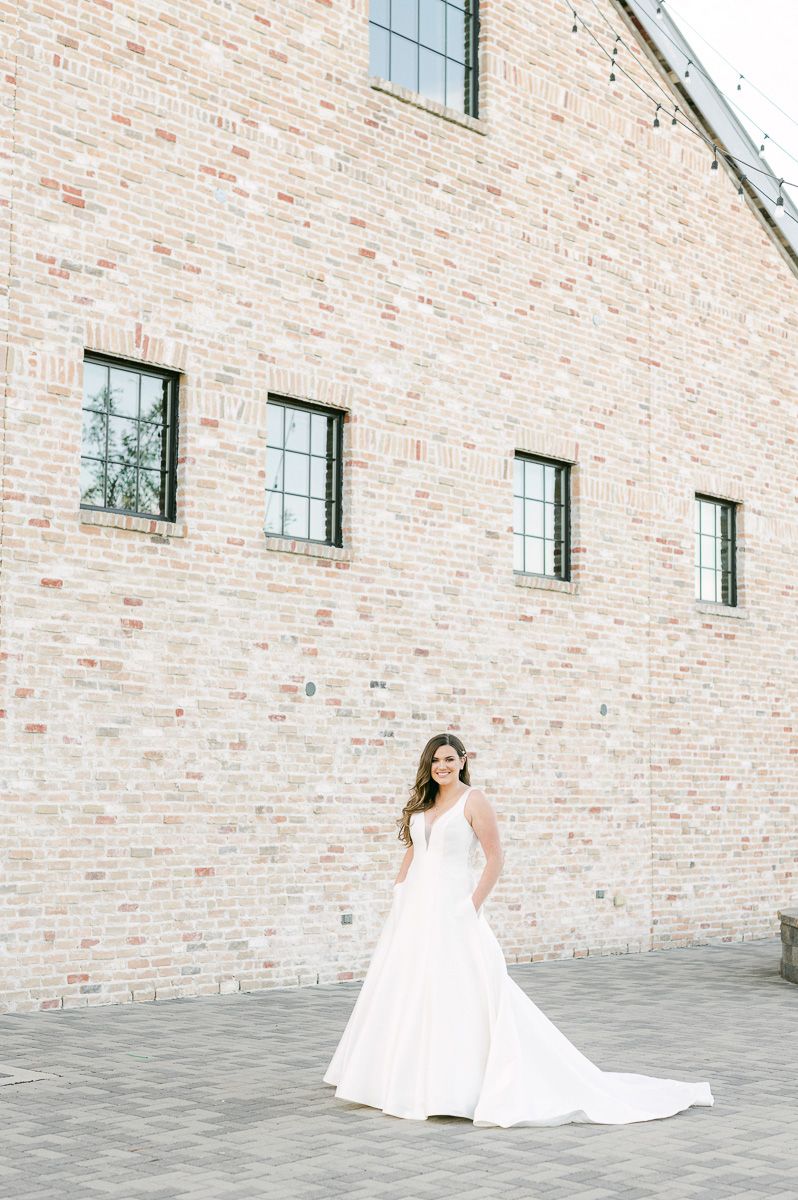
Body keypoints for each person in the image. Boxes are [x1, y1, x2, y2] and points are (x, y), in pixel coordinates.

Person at [323, 733, 714, 1127]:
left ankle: (454, 1086)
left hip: (454, 910)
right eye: (434, 761)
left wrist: (471, 906)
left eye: (447, 759)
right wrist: (399, 889)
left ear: (462, 759)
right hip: (414, 911)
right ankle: (400, 1079)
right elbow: (414, 850)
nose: (440, 766)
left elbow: (495, 858)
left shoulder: (473, 801)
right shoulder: (425, 802)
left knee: (460, 987)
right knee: (409, 987)